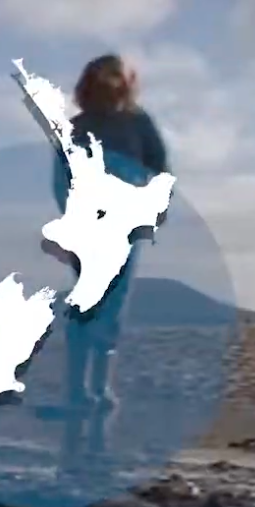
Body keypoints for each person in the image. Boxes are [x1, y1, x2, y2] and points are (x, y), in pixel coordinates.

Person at [52, 54, 171, 413]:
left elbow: (160, 166)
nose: (112, 82)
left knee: (114, 309)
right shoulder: (76, 127)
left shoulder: (139, 123)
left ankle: (99, 385)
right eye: (105, 74)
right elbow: (62, 179)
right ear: (91, 81)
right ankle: (75, 389)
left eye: (118, 75)